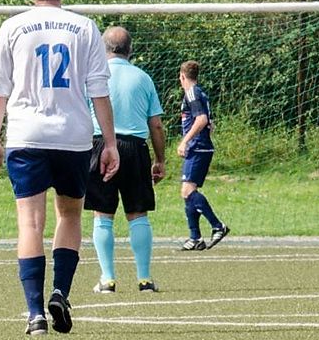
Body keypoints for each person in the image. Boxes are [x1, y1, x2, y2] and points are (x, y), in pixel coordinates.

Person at [0, 0, 119, 336]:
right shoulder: (85, 27)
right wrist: (109, 143)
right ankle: (60, 292)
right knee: (70, 215)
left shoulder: (12, 27)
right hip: (73, 137)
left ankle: (35, 314)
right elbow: (99, 91)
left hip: (26, 136)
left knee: (30, 222)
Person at [85, 26, 165, 294]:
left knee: (102, 214)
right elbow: (156, 124)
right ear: (130, 49)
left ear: (103, 49)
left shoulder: (94, 76)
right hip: (134, 148)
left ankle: (107, 279)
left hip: (100, 146)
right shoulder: (143, 78)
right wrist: (160, 160)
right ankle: (144, 279)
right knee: (138, 213)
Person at [177, 60, 229, 251]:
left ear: (182, 76)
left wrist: (185, 140)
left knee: (188, 191)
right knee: (187, 191)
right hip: (200, 147)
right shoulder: (200, 93)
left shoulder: (192, 93)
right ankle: (195, 238)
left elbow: (201, 119)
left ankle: (218, 226)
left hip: (197, 147)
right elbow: (209, 123)